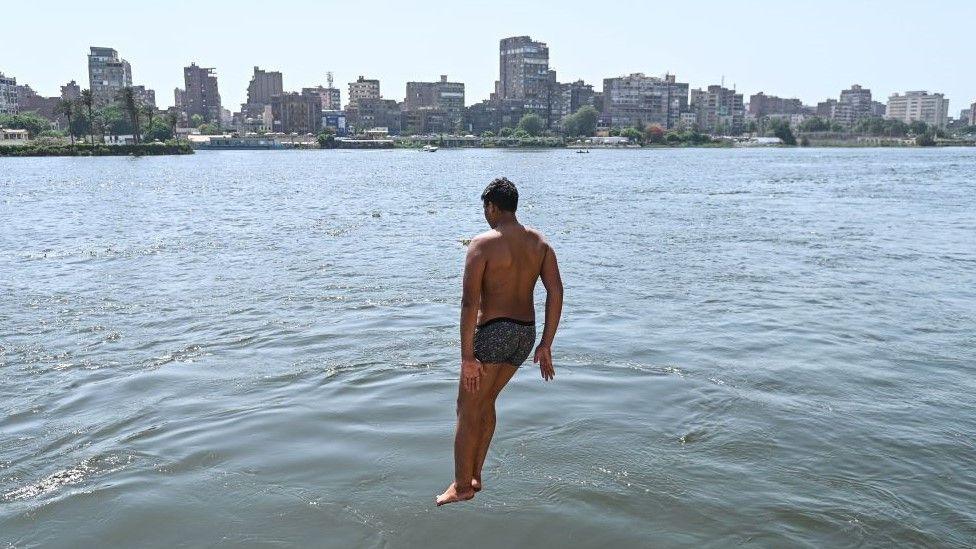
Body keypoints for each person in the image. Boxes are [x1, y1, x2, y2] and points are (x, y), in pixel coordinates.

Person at [436, 177, 564, 506]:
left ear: (492, 206)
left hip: (493, 332)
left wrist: (467, 357)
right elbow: (556, 292)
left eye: (485, 208)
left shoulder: (483, 244)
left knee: (467, 409)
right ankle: (476, 474)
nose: (485, 215)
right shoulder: (540, 243)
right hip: (525, 334)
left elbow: (469, 303)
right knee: (487, 400)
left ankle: (462, 484)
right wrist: (546, 343)